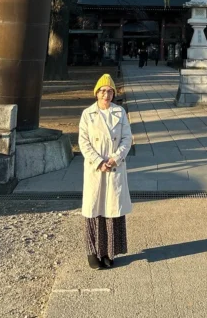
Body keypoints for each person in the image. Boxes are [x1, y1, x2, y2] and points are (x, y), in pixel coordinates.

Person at [79, 74, 132, 270]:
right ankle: (93, 251)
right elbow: (83, 142)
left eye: (109, 91)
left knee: (112, 210)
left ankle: (110, 250)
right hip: (96, 169)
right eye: (102, 91)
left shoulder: (120, 112)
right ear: (96, 93)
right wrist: (98, 161)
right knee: (94, 209)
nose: (106, 95)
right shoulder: (88, 114)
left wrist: (115, 158)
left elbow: (127, 138)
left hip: (114, 167)